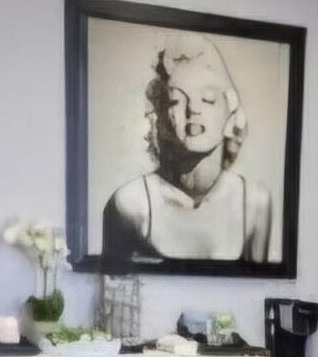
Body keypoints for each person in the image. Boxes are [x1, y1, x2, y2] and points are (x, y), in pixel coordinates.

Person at [101, 34, 274, 264]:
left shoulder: (254, 203)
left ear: (230, 112)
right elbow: (113, 292)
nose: (193, 109)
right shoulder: (130, 204)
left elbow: (259, 288)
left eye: (208, 98)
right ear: (161, 116)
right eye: (176, 100)